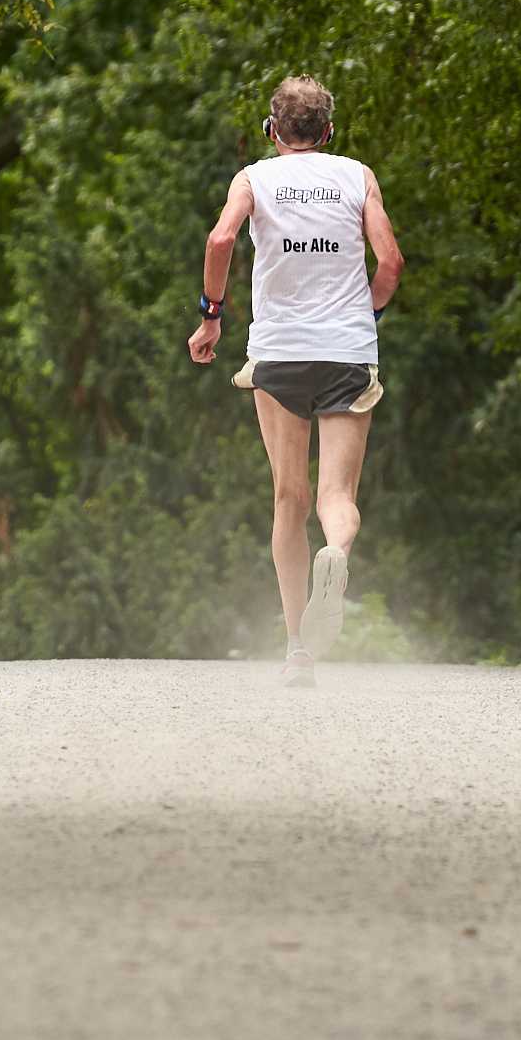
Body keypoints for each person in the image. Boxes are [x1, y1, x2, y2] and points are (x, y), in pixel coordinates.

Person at [187, 76, 404, 688]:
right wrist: (369, 313)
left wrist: (211, 317)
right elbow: (389, 262)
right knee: (338, 498)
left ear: (272, 130)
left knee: (290, 499)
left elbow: (221, 238)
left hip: (279, 355)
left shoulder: (253, 179)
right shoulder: (357, 176)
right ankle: (335, 553)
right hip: (346, 353)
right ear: (330, 132)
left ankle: (297, 651)